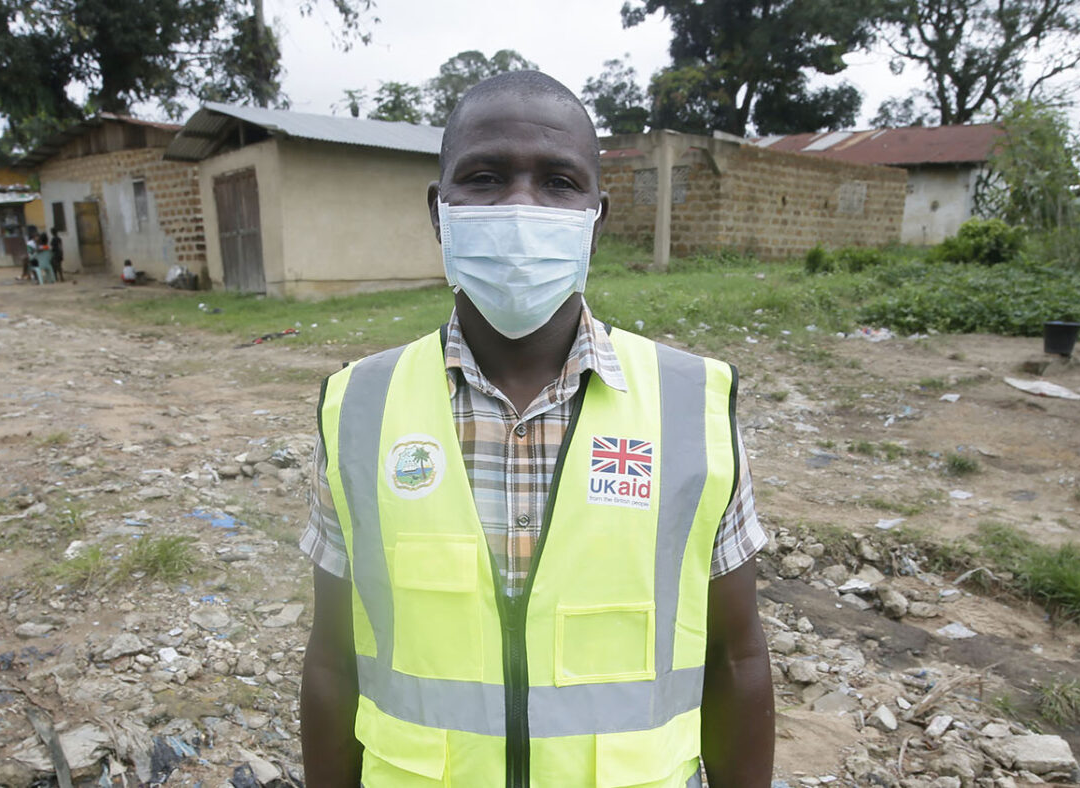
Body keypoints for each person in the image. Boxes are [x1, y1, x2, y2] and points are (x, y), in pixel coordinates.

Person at [299, 72, 774, 788]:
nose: (521, 207)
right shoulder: (358, 408)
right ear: (439, 211)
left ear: (596, 219)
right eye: (485, 178)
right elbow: (334, 661)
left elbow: (736, 658)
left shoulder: (691, 404)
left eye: (558, 182)